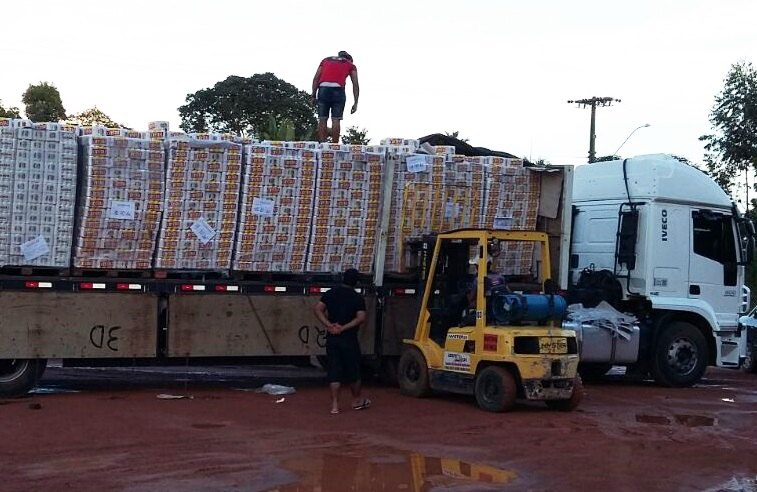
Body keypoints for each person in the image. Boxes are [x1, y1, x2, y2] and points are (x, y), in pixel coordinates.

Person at [312, 268, 370, 414]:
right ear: (356, 282)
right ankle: (357, 400)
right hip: (349, 338)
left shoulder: (331, 293)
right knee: (354, 371)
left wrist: (329, 325)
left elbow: (317, 309)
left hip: (333, 338)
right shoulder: (357, 298)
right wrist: (344, 327)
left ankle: (335, 406)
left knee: (334, 371)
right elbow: (361, 318)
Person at [311, 51, 359, 143]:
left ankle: (322, 144)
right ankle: (335, 145)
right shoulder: (350, 64)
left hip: (323, 89)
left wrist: (313, 95)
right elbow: (355, 84)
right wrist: (355, 102)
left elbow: (316, 78)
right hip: (338, 90)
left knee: (322, 119)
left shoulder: (326, 60)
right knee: (336, 119)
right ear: (349, 59)